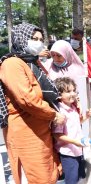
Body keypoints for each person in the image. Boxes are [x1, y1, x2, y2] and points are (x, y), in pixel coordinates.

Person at [0, 22, 66, 183]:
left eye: (40, 39)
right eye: (33, 38)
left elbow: (46, 90)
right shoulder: (12, 64)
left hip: (42, 129)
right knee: (38, 176)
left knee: (50, 172)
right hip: (25, 133)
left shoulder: (32, 62)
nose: (38, 42)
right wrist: (53, 114)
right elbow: (27, 99)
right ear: (21, 39)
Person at [52, 77, 91, 184]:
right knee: (72, 180)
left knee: (79, 177)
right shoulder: (60, 112)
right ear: (59, 94)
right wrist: (75, 142)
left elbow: (76, 123)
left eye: (74, 90)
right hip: (68, 153)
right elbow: (57, 135)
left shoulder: (73, 108)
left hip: (78, 149)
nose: (73, 93)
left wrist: (86, 117)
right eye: (68, 91)